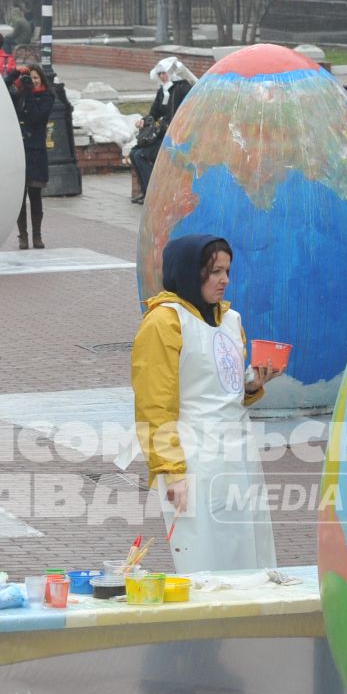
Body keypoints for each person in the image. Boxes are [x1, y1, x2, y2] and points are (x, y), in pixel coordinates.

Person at [131, 234, 283, 572]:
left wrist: (251, 385)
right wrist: (172, 473)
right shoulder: (164, 322)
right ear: (189, 272)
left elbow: (221, 390)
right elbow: (154, 406)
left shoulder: (231, 320)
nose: (225, 280)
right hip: (194, 460)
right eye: (214, 272)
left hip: (238, 456)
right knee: (204, 564)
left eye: (227, 271)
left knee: (249, 554)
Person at [129, 57, 194, 204]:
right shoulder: (163, 91)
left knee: (141, 155)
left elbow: (188, 110)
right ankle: (146, 192)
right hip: (162, 134)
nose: (162, 77)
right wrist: (144, 120)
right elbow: (154, 112)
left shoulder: (182, 88)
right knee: (134, 154)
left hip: (175, 136)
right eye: (160, 74)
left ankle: (152, 194)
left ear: (171, 72)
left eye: (164, 73)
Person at [10, 62, 54, 250]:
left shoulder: (47, 96)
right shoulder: (18, 95)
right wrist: (15, 74)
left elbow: (35, 117)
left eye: (36, 78)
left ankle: (37, 235)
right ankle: (23, 236)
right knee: (19, 197)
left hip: (36, 150)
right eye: (30, 78)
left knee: (35, 195)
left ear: (41, 79)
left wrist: (28, 94)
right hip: (20, 150)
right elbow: (4, 88)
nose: (33, 82)